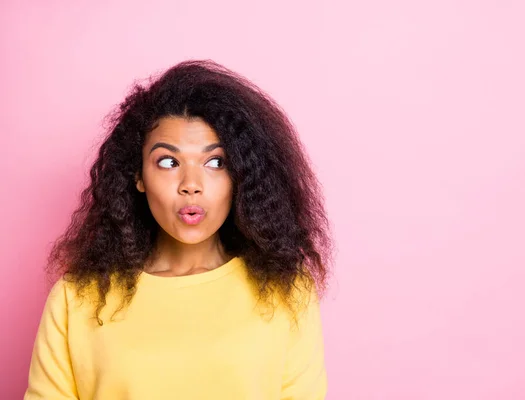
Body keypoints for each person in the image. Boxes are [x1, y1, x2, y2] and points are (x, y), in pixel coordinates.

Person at [24, 60, 333, 399]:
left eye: (216, 162)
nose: (191, 185)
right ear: (138, 176)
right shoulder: (78, 297)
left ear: (241, 176)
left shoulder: (286, 292)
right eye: (169, 162)